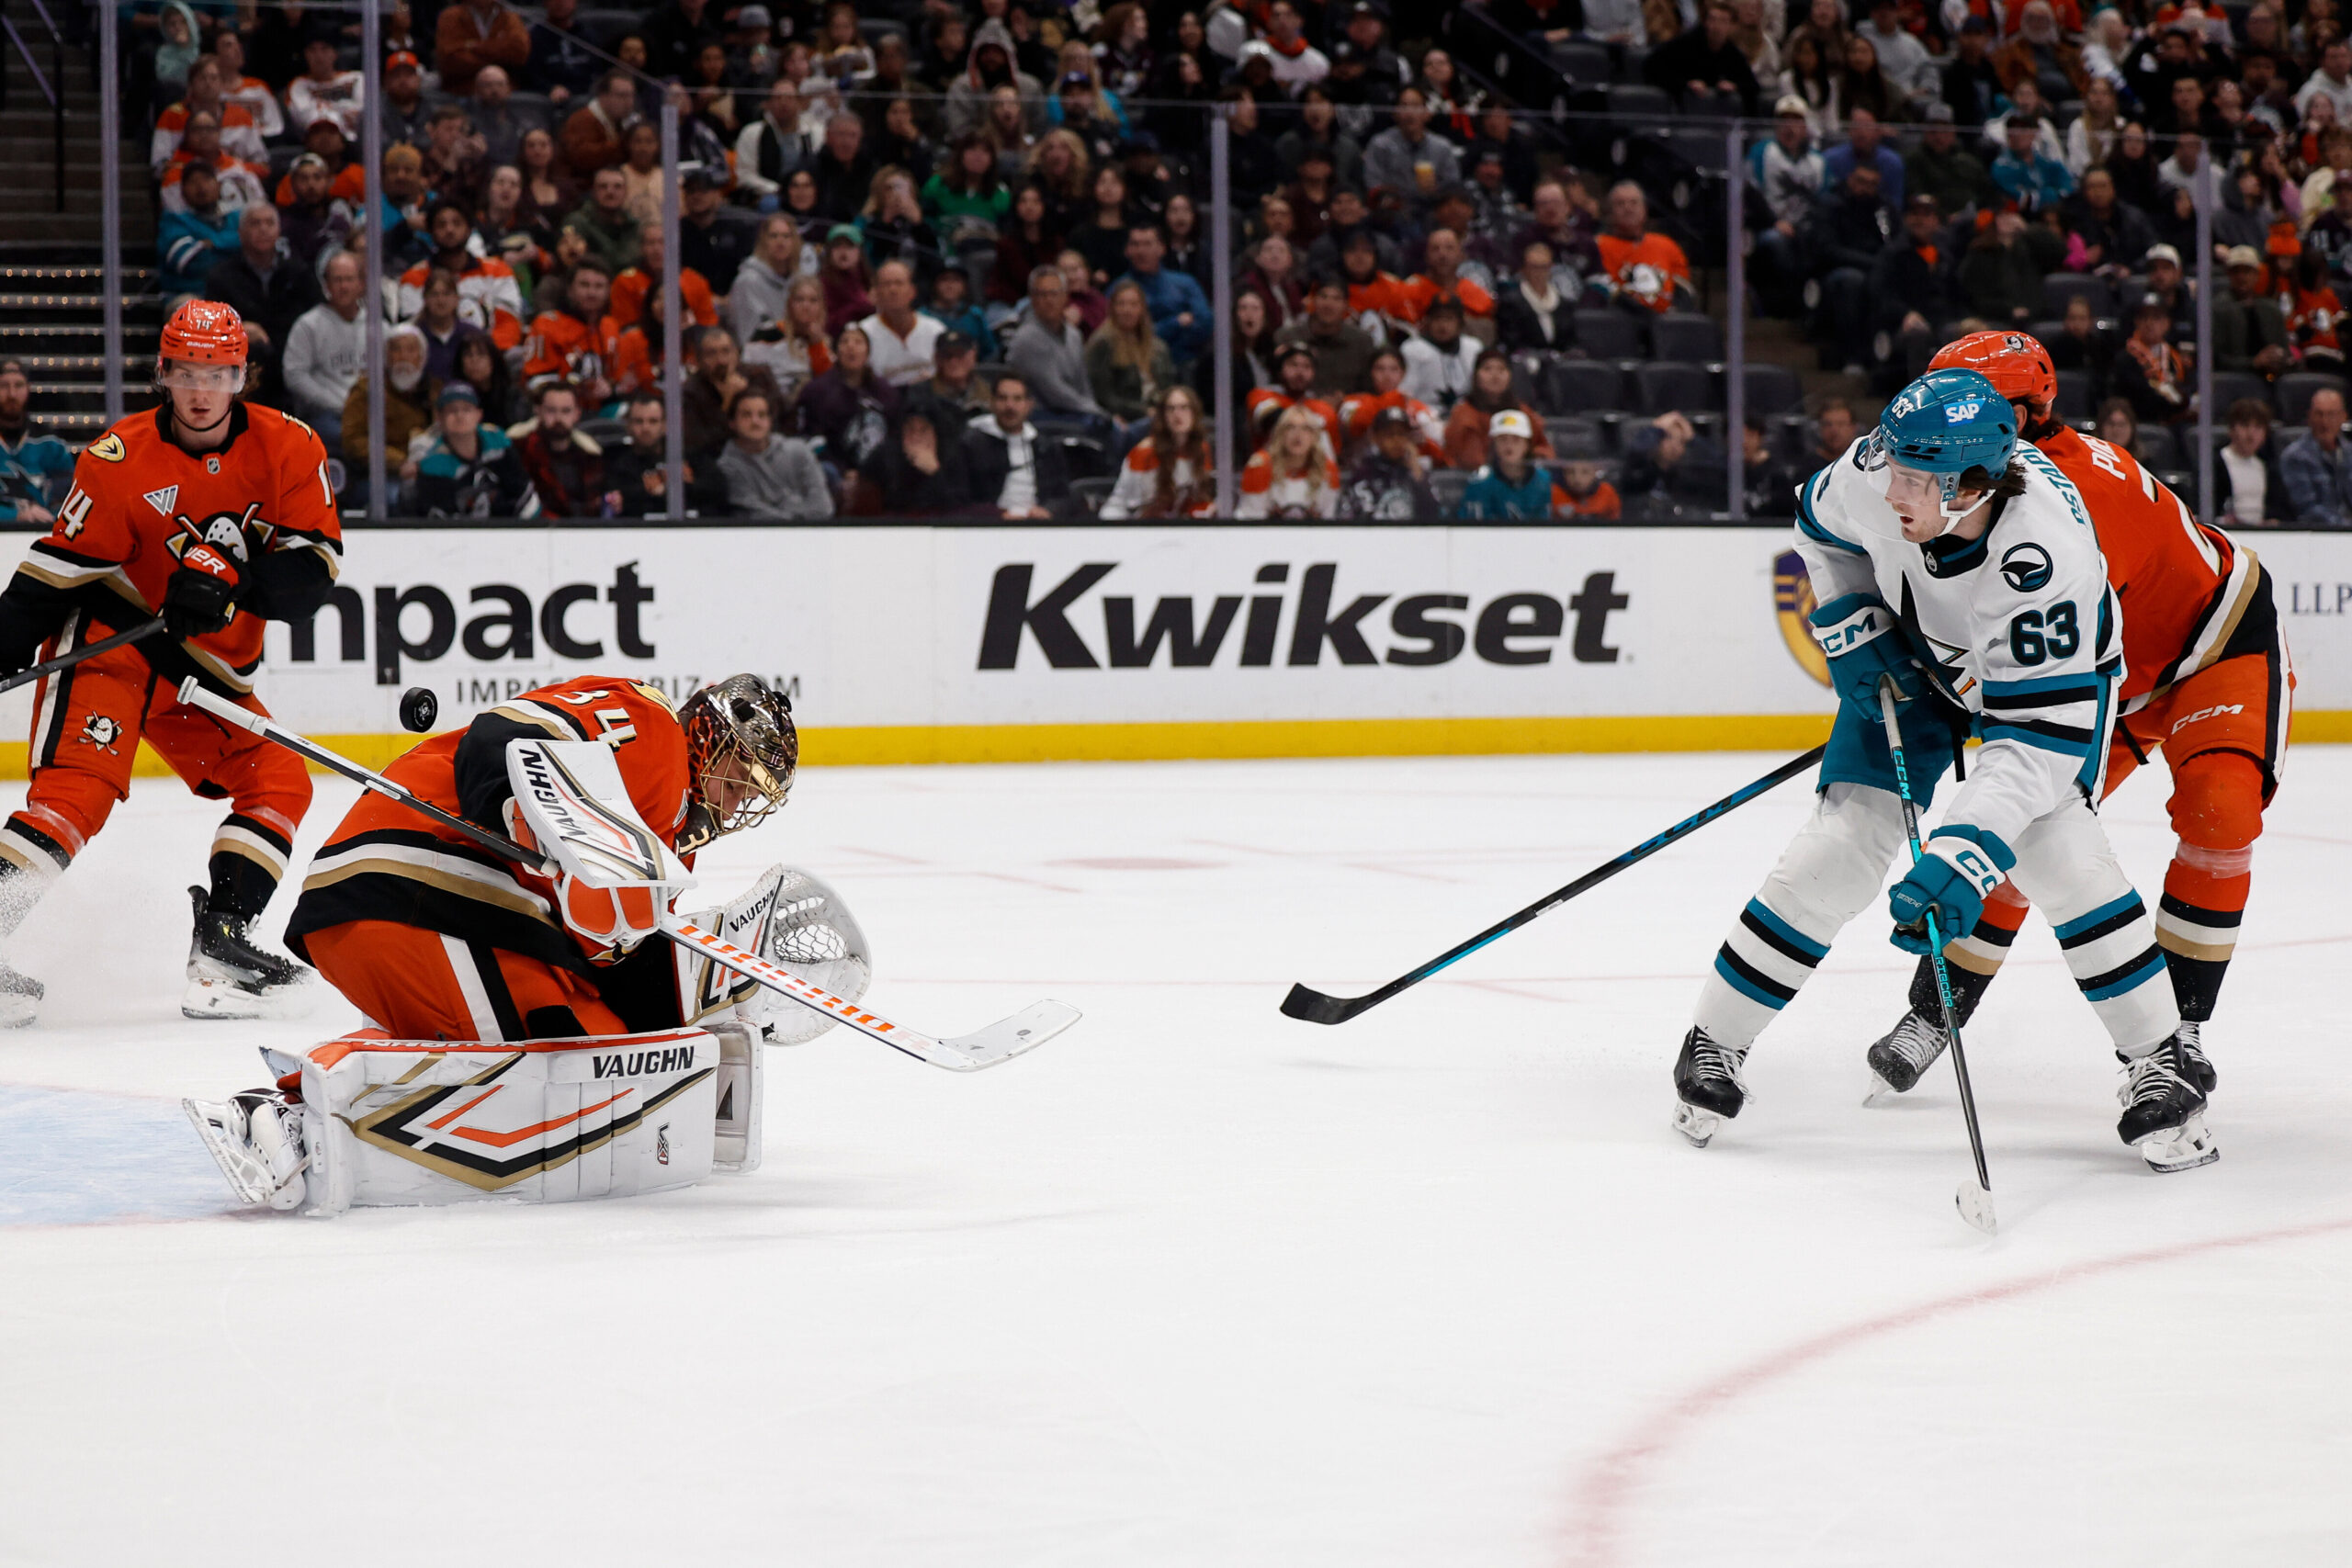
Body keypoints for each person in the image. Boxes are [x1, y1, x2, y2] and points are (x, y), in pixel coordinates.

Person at [1675, 367, 2202, 1169]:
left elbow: (2036, 742)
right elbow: (1818, 529)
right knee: (1843, 844)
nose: (1893, 491)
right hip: (1915, 658)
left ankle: (2158, 1060)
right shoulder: (1878, 469)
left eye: (1919, 480)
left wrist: (1964, 852)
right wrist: (1852, 620)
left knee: (2056, 853)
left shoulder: (2042, 560)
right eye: (1894, 466)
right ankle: (1713, 1041)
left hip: (2034, 699)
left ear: (1976, 485)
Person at [1850, 333, 2292, 1128]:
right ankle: (1932, 1013)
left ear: (2019, 415)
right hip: (2112, 673)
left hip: (2214, 645)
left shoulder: (2063, 503)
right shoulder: (1977, 484)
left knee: (2218, 813)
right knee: (2022, 838)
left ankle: (2176, 1036)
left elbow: (2048, 666)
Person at [0, 300, 340, 1024]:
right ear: (163, 372)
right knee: (74, 798)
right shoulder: (115, 460)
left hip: (206, 672)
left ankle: (222, 945)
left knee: (277, 777)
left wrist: (236, 583)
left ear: (242, 376)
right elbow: (45, 583)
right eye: (186, 370)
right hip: (112, 644)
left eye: (217, 372)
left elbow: (311, 579)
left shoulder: (291, 448)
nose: (200, 388)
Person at [413, 381, 538, 518]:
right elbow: (441, 519)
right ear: (440, 418)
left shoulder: (498, 441)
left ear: (479, 414)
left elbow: (523, 492)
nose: (460, 416)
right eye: (452, 410)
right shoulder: (433, 464)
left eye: (467, 409)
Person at [1006, 265, 1110, 427]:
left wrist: (1095, 410)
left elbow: (1083, 384)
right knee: (1104, 427)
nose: (1049, 300)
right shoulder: (1026, 338)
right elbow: (1055, 393)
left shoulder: (1074, 335)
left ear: (1065, 297)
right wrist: (1096, 412)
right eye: (1042, 294)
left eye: (1054, 293)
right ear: (1032, 299)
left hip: (1073, 412)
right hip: (1038, 416)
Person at [280, 251, 369, 434]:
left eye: (349, 279)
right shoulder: (308, 325)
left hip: (370, 412)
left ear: (361, 284)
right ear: (326, 285)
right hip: (326, 415)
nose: (343, 286)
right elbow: (295, 375)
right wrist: (335, 403)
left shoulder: (376, 325)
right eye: (337, 280)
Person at [341, 325, 438, 492]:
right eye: (396, 350)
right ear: (386, 356)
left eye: (411, 350)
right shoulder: (367, 390)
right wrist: (398, 461)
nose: (403, 357)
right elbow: (353, 439)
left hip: (429, 465)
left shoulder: (436, 389)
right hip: (384, 471)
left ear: (422, 357)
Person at [963, 371, 1069, 519]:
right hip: (990, 526)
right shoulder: (971, 445)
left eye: (1017, 399)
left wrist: (1048, 511)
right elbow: (962, 499)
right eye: (1002, 398)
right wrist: (998, 515)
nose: (1010, 406)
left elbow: (1062, 495)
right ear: (991, 403)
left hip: (1037, 524)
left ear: (1029, 405)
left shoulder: (1045, 446)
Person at [718, 384, 832, 518]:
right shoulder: (727, 466)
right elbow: (753, 514)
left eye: (762, 415)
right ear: (732, 422)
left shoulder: (799, 451)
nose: (755, 421)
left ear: (770, 421)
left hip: (812, 533)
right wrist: (797, 518)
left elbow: (823, 506)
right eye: (746, 415)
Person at [1100, 386, 1213, 519]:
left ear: (1195, 412)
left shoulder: (1202, 449)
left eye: (1184, 407)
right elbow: (1136, 508)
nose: (1177, 414)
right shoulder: (1144, 452)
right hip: (1125, 521)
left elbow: (1199, 499)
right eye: (1171, 409)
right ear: (1162, 416)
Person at [522, 258, 621, 408]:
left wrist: (609, 388)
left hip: (600, 410)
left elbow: (616, 378)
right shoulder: (547, 324)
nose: (592, 293)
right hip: (554, 412)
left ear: (609, 291)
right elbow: (535, 383)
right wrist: (577, 388)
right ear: (570, 290)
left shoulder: (610, 326)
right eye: (584, 285)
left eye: (599, 286)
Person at [1642, 0, 1761, 116]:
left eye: (1723, 21)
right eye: (1713, 20)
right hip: (1683, 112)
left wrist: (1735, 86)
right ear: (1705, 22)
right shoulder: (1686, 44)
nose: (1717, 26)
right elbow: (1652, 67)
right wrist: (1686, 84)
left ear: (1731, 26)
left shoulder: (1731, 52)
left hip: (1716, 116)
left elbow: (1752, 85)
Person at [1116, 226, 1212, 368]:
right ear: (1127, 250)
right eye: (1135, 244)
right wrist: (1176, 323)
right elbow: (1128, 335)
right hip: (1136, 365)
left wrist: (1158, 334)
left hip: (1184, 363)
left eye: (1147, 244)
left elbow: (1205, 322)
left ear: (1162, 249)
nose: (1141, 251)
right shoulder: (1118, 290)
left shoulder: (1185, 284)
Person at [1442, 349, 1552, 471]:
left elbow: (1544, 450)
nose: (1495, 375)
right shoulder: (1463, 414)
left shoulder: (1523, 412)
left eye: (1501, 369)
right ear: (1475, 375)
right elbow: (1465, 459)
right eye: (1487, 369)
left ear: (1510, 375)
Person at [1591, 182, 1691, 315]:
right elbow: (1604, 291)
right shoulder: (1598, 245)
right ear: (1610, 212)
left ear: (1645, 209)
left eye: (1634, 203)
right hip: (1621, 321)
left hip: (1665, 324)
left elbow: (1683, 291)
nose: (1628, 208)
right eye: (1620, 204)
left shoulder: (1666, 245)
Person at [680, 326, 783, 457]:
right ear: (699, 360)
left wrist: (748, 395)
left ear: (736, 353)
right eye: (712, 354)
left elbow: (781, 416)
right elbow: (700, 444)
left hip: (769, 451)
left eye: (726, 351)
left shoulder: (759, 375)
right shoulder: (691, 392)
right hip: (720, 459)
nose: (721, 361)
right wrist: (728, 402)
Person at [1085, 280, 1176, 427]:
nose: (1127, 310)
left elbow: (1168, 388)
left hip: (1159, 413)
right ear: (1112, 308)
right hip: (1126, 419)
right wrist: (1145, 412)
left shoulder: (1158, 346)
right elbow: (1104, 398)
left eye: (1134, 304)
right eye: (1121, 304)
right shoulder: (1102, 344)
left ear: (1142, 308)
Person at [1336, 348, 1447, 466]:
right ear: (1370, 372)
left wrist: (1423, 442)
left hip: (1407, 470)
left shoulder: (1417, 408)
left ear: (1403, 374)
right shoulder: (1352, 403)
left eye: (1394, 369)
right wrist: (1393, 400)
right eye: (1380, 369)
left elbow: (1442, 451)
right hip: (1363, 469)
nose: (1387, 375)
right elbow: (1357, 424)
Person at [1274, 278, 1378, 400]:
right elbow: (1274, 383)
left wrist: (1345, 402)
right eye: (1323, 297)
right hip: (1294, 409)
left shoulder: (1361, 342)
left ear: (1346, 305)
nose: (1329, 304)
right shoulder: (1287, 337)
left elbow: (1369, 389)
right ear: (1313, 300)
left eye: (1336, 299)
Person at [514, 380, 605, 517]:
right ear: (538, 411)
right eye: (551, 410)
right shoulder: (520, 451)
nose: (558, 418)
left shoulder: (591, 456)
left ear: (577, 414)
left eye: (566, 411)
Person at [0, 360, 74, 526]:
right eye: (4, 386)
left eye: (18, 385)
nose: (11, 394)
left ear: (28, 388)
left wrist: (49, 518)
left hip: (42, 535)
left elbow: (69, 499)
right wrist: (15, 516)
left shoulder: (51, 445)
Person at [1237, 404, 1342, 519]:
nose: (1298, 434)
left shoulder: (1327, 469)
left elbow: (1329, 521)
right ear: (1280, 433)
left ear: (1314, 436)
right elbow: (1249, 519)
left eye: (1305, 428)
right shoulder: (1260, 466)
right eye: (1290, 427)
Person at [1456, 410, 1566, 520]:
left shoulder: (1544, 480)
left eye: (1516, 439)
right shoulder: (1480, 482)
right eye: (1503, 439)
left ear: (1527, 444)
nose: (1509, 446)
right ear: (1494, 444)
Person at [1336, 404, 1439, 520]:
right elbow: (1348, 520)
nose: (1396, 440)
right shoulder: (1364, 475)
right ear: (1375, 438)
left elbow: (1434, 515)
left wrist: (1417, 471)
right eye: (1389, 435)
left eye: (1401, 434)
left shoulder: (1418, 474)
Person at [2111, 292, 2195, 426]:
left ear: (2167, 323)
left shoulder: (2176, 359)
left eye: (2156, 318)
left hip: (2174, 424)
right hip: (2138, 423)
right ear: (2136, 322)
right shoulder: (2125, 359)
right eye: (2144, 318)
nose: (2149, 323)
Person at [1247, 344, 1344, 457]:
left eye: (1307, 366)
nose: (1300, 372)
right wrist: (1314, 421)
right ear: (1280, 370)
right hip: (1270, 469)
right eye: (1293, 365)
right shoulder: (1261, 395)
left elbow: (1330, 457)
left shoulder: (1324, 409)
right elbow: (1272, 418)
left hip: (1311, 472)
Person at [2283, 385, 2352, 527]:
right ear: (2310, 416)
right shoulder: (2295, 456)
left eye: (2331, 414)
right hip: (2319, 534)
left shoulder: (2349, 453)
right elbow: (2307, 508)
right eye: (2319, 414)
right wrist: (2345, 526)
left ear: (2343, 417)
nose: (2325, 422)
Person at [1398, 299, 1481, 416]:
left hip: (1466, 413)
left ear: (1460, 323)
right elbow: (1405, 392)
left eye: (1449, 319)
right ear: (1428, 321)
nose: (1443, 325)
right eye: (1437, 318)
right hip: (1425, 413)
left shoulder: (1473, 347)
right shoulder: (1412, 349)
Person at [560, 71, 638, 181]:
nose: (629, 102)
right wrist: (622, 144)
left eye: (631, 95)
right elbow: (582, 159)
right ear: (603, 96)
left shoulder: (627, 121)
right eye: (622, 96)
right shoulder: (582, 120)